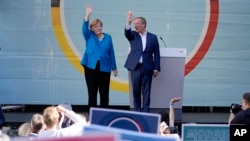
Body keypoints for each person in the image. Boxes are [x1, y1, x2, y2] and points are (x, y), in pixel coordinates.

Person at [81, 4, 118, 111]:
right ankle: (92, 117)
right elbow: (84, 28)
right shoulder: (89, 36)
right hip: (90, 67)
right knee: (92, 93)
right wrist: (87, 15)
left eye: (100, 26)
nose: (98, 28)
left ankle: (104, 116)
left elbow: (111, 52)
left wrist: (114, 67)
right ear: (92, 29)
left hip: (105, 67)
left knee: (104, 93)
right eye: (96, 26)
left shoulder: (108, 37)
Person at [124, 11, 160, 112]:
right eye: (134, 24)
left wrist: (156, 68)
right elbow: (127, 33)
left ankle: (146, 113)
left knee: (147, 92)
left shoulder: (153, 37)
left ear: (143, 25)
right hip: (135, 67)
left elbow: (156, 53)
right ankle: (137, 113)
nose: (135, 26)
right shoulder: (133, 35)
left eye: (138, 24)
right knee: (135, 91)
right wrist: (128, 22)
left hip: (148, 67)